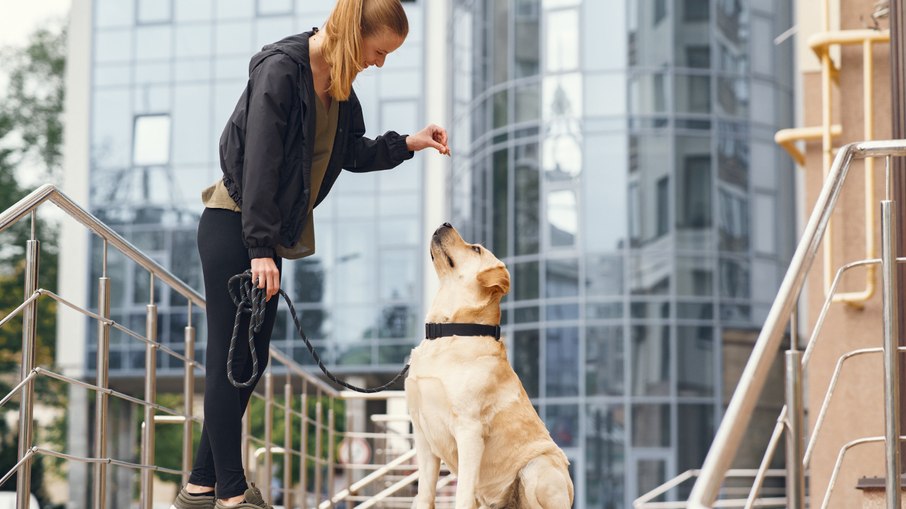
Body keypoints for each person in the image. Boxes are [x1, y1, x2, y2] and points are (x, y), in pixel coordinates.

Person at [169, 0, 449, 507]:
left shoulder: (339, 87)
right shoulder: (282, 71)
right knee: (229, 359)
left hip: (263, 238)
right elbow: (258, 163)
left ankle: (199, 485)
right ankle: (231, 494)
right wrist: (259, 247)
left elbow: (351, 152)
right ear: (354, 32)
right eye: (379, 51)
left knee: (250, 363)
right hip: (234, 226)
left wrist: (410, 142)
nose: (379, 63)